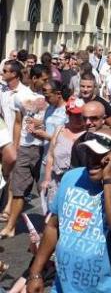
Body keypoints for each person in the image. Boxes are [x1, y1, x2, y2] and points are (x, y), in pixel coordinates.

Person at [26, 128, 111, 293]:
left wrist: (108, 179)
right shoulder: (71, 178)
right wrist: (35, 272)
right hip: (62, 288)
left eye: (99, 155)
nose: (91, 159)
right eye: (89, 153)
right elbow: (53, 226)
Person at [0, 64, 49, 239]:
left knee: (45, 190)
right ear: (34, 79)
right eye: (43, 79)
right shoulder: (19, 97)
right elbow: (18, 123)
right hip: (26, 148)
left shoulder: (49, 96)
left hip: (45, 148)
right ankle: (11, 226)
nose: (46, 83)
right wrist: (16, 145)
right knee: (19, 189)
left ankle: (49, 231)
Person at [41, 96, 85, 205]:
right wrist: (47, 179)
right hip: (57, 182)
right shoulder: (59, 129)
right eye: (74, 115)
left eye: (80, 115)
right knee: (52, 216)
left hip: (78, 184)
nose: (78, 118)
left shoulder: (87, 133)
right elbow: (50, 156)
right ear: (68, 114)